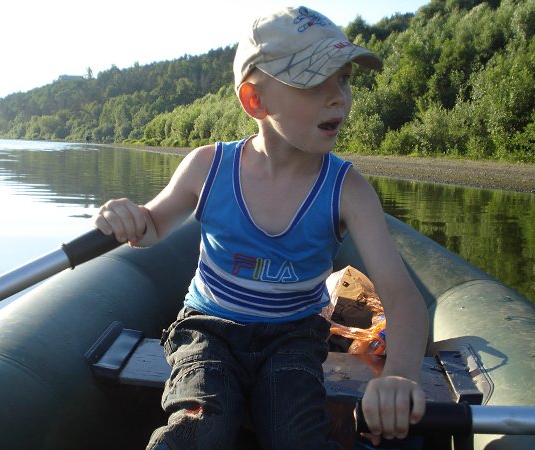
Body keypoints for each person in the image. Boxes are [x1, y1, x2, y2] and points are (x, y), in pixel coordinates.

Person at [95, 5, 429, 449]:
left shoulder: (347, 190)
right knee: (201, 425)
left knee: (295, 435)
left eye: (345, 79)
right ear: (256, 100)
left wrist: (400, 374)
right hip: (209, 328)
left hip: (294, 337)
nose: (339, 98)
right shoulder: (208, 167)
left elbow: (402, 296)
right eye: (316, 82)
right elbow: (150, 227)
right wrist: (127, 216)